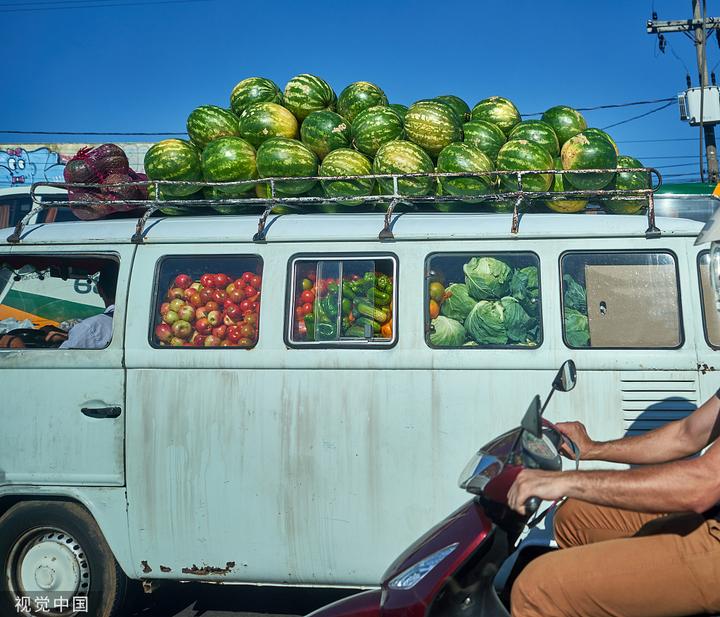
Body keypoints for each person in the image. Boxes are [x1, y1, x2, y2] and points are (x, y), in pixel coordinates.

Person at [507, 390, 720, 617]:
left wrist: (566, 482)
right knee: (573, 517)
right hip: (710, 513)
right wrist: (592, 448)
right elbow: (686, 434)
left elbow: (701, 485)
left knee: (536, 590)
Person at [0, 266, 117, 349]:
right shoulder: (122, 322)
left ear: (100, 290)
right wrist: (67, 336)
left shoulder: (91, 328)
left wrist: (19, 347)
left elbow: (55, 364)